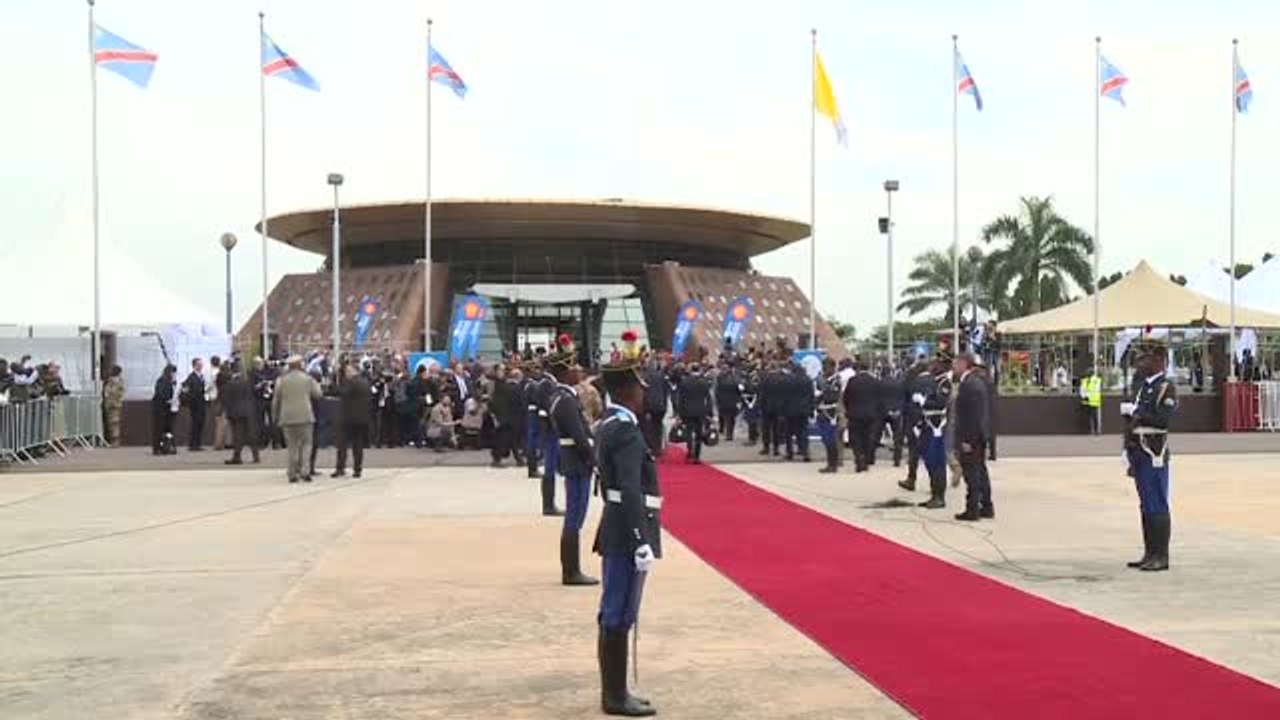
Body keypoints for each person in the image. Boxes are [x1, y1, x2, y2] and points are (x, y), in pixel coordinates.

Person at [593, 331, 661, 717]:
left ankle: (616, 691)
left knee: (615, 610)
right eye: (639, 385)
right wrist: (640, 539)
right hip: (626, 530)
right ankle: (615, 697)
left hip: (617, 526)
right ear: (627, 391)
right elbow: (631, 490)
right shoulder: (626, 430)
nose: (644, 392)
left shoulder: (610, 424)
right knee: (618, 611)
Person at [547, 339, 600, 586]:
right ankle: (571, 571)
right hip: (577, 462)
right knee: (575, 516)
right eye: (574, 367)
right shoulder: (566, 399)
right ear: (565, 372)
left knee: (574, 516)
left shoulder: (559, 396)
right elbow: (580, 436)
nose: (578, 370)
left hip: (570, 459)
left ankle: (571, 568)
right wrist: (594, 460)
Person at [1122, 338, 1177, 572]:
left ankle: (1161, 556)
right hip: (1139, 450)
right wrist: (1127, 450)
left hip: (1154, 450)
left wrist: (1137, 412)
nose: (1138, 362)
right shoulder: (1143, 387)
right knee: (1145, 504)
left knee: (1157, 502)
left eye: (1143, 358)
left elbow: (1162, 420)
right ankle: (1149, 553)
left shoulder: (1166, 387)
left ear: (1157, 360)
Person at [953, 352, 993, 521]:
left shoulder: (969, 385)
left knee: (972, 474)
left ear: (964, 364)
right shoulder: (976, 382)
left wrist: (967, 440)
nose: (954, 367)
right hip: (979, 435)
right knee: (980, 471)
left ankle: (972, 509)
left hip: (972, 437)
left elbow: (972, 415)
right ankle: (986, 506)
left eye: (956, 363)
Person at [272, 355, 321, 483]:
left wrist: (275, 416)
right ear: (300, 365)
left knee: (292, 446)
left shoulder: (281, 380)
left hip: (287, 416)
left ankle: (292, 473)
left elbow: (276, 400)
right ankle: (305, 471)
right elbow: (318, 394)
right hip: (305, 416)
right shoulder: (307, 379)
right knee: (306, 445)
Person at [333, 364, 372, 478]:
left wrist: (334, 387)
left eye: (347, 371)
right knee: (358, 445)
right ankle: (357, 469)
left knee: (342, 444)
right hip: (361, 418)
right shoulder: (365, 382)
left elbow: (343, 393)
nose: (345, 374)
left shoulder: (352, 382)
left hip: (348, 418)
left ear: (353, 371)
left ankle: (340, 468)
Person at [843, 360, 880, 472]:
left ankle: (858, 458)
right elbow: (879, 398)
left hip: (854, 414)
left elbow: (846, 397)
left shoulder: (852, 381)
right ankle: (865, 458)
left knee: (855, 438)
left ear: (858, 368)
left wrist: (848, 409)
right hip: (870, 414)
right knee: (868, 437)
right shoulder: (874, 381)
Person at [222, 360, 260, 465]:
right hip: (248, 410)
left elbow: (227, 400)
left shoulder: (230, 384)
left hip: (235, 412)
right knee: (251, 434)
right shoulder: (247, 382)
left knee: (238, 434)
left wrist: (228, 412)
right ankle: (256, 455)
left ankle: (237, 456)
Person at [676, 362, 712, 463]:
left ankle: (689, 451)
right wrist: (709, 412)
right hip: (700, 411)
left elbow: (681, 399)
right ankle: (697, 455)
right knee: (699, 434)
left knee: (688, 432)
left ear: (691, 370)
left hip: (687, 411)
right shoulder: (703, 382)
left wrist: (679, 413)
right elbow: (708, 398)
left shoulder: (684, 382)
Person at [489, 364, 520, 467]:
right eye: (501, 370)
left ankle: (518, 459)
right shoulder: (495, 384)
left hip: (508, 414)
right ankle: (497, 459)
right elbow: (494, 400)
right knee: (502, 438)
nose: (503, 372)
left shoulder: (504, 383)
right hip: (502, 415)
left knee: (511, 438)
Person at [816, 357, 842, 473]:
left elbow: (831, 397)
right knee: (825, 440)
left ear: (832, 367)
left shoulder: (836, 380)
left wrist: (822, 393)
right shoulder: (822, 380)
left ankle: (833, 464)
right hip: (822, 413)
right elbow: (817, 396)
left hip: (831, 414)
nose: (824, 370)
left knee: (830, 440)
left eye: (826, 367)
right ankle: (830, 463)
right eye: (823, 367)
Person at [640, 359, 669, 455]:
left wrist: (645, 407)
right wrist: (665, 404)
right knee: (658, 426)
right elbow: (666, 391)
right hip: (660, 405)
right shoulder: (662, 376)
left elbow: (645, 393)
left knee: (650, 427)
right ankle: (658, 448)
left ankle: (652, 447)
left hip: (650, 405)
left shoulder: (646, 377)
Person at [151, 364, 178, 455]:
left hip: (167, 409)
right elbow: (161, 393)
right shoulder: (161, 381)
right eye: (174, 373)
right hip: (160, 408)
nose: (175, 375)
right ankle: (157, 447)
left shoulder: (171, 382)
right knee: (159, 428)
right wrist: (168, 399)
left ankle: (167, 446)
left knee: (167, 428)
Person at [182, 358, 208, 451]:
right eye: (198, 364)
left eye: (201, 364)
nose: (201, 366)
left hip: (202, 404)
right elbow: (187, 389)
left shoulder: (202, 376)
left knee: (200, 424)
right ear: (194, 366)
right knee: (195, 424)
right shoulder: (191, 377)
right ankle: (193, 445)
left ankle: (198, 443)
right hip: (195, 405)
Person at [714, 362, 741, 442]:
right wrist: (738, 399)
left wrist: (718, 400)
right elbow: (738, 389)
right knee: (731, 418)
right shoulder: (735, 378)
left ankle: (728, 433)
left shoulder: (720, 377)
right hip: (732, 401)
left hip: (724, 401)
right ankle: (730, 433)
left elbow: (717, 390)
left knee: (727, 417)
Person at [102, 365, 125, 446]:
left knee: (113, 423)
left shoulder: (113, 381)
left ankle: (115, 441)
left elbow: (109, 393)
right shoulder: (119, 381)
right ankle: (114, 441)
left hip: (112, 404)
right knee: (113, 423)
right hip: (115, 404)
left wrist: (110, 401)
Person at [1080, 366, 1102, 435]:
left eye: (1089, 372)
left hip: (1094, 401)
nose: (1088, 373)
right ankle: (1091, 430)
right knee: (1089, 417)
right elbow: (1082, 390)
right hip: (1087, 401)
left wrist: (1087, 396)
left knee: (1095, 417)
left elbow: (1096, 389)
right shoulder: (1085, 380)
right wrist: (1084, 396)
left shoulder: (1096, 380)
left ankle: (1096, 430)